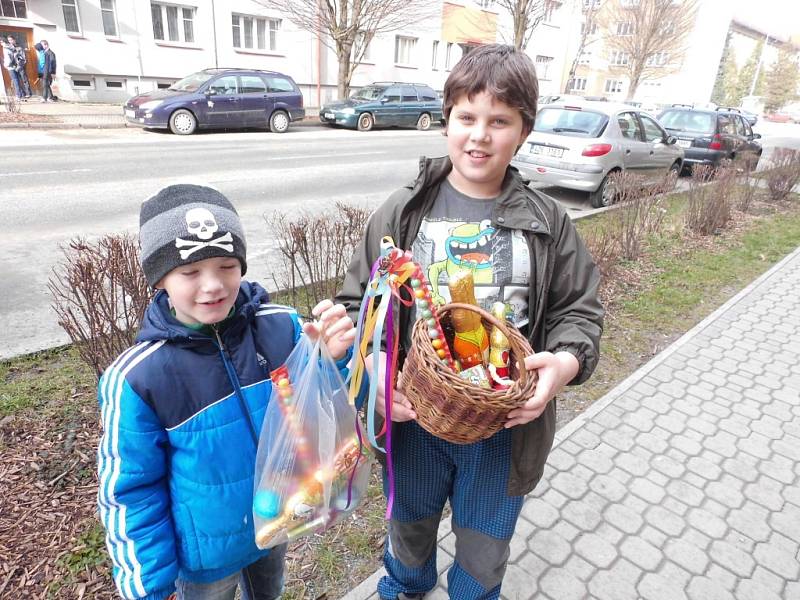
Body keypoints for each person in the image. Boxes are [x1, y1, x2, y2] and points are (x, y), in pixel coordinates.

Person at [336, 44, 604, 600]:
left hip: (505, 429)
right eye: (467, 117)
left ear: (523, 131)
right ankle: (407, 587)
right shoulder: (402, 213)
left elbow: (579, 311)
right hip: (415, 421)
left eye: (499, 121)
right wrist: (375, 368)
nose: (480, 135)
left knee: (484, 547)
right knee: (408, 529)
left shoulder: (548, 223)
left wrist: (563, 366)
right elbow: (355, 306)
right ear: (446, 121)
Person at [96, 183, 356, 600]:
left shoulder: (280, 327)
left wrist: (333, 357)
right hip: (205, 560)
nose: (213, 285)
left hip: (276, 522)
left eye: (226, 265)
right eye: (190, 272)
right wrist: (151, 587)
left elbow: (320, 401)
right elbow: (130, 491)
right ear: (159, 278)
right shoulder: (140, 378)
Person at [2, 36, 32, 100]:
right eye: (9, 40)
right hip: (14, 67)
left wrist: (19, 66)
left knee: (24, 79)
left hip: (20, 66)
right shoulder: (10, 48)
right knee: (17, 81)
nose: (10, 41)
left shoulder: (19, 48)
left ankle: (28, 93)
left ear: (14, 40)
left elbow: (23, 58)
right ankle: (22, 94)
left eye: (11, 40)